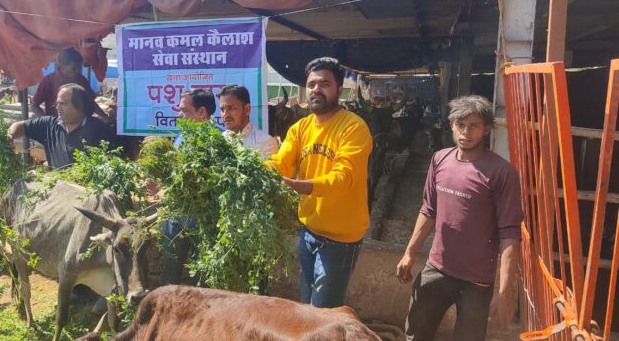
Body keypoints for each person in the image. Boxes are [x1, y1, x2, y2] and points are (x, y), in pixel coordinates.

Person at [396, 95, 523, 341]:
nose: (466, 132)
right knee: (415, 334)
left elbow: (510, 233)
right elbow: (428, 210)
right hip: (437, 269)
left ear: (486, 130)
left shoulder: (501, 173)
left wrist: (506, 290)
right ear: (452, 125)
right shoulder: (439, 159)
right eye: (460, 124)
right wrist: (409, 253)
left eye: (474, 125)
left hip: (477, 281)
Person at [266, 57, 372, 308]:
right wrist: (250, 168)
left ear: (338, 89)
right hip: (309, 231)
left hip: (341, 238)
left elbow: (343, 177)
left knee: (324, 309)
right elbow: (281, 163)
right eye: (312, 84)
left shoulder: (354, 128)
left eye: (324, 83)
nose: (316, 89)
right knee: (306, 304)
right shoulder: (300, 128)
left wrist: (300, 185)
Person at [159, 89, 220, 286]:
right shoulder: (181, 137)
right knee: (170, 268)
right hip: (176, 219)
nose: (179, 115)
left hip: (204, 222)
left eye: (184, 110)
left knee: (200, 276)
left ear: (201, 112)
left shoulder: (219, 142)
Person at [9, 84, 118, 169]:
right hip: (57, 190)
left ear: (79, 105)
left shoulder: (100, 129)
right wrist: (10, 136)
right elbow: (20, 126)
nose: (58, 107)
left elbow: (116, 160)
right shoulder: (49, 124)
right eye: (57, 104)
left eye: (63, 104)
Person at [31, 48, 106, 118]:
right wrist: (47, 122)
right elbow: (34, 105)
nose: (78, 71)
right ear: (63, 67)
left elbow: (90, 102)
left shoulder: (81, 79)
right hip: (57, 127)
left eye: (79, 68)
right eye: (74, 68)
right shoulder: (49, 80)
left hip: (80, 126)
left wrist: (104, 116)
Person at [219, 85, 278, 158]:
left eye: (231, 108)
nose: (225, 115)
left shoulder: (266, 142)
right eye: (222, 110)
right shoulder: (218, 141)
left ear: (247, 109)